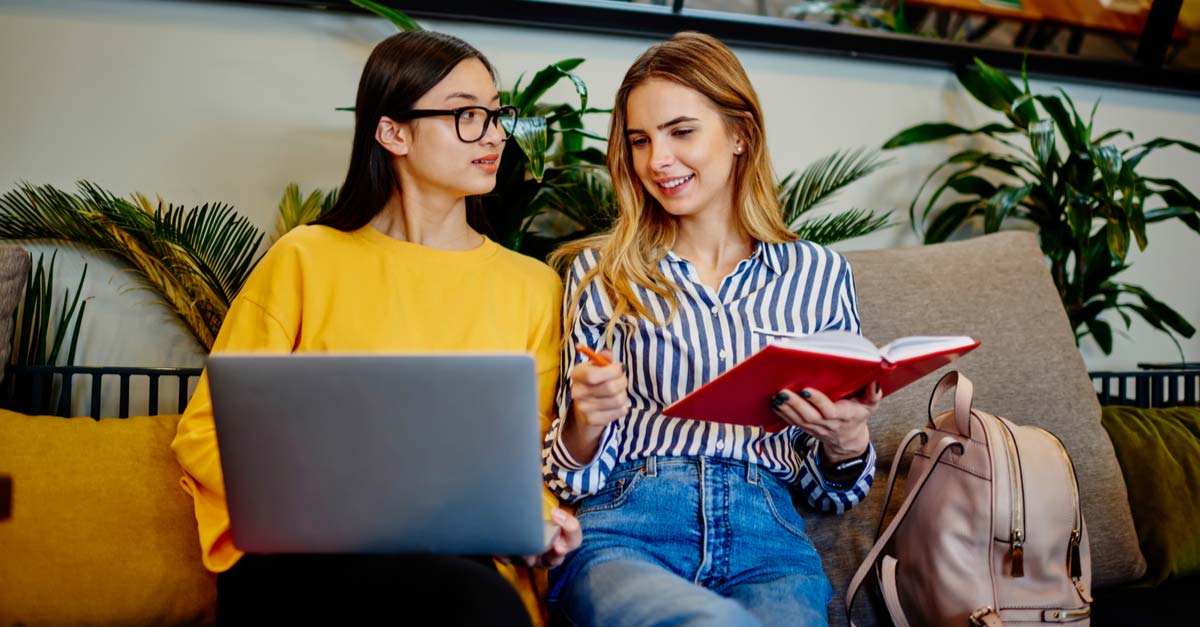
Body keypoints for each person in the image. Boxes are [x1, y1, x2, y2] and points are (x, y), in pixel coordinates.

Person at [171, 30, 581, 626]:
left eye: (496, 115)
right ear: (393, 133)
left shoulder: (531, 286)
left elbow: (532, 457)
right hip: (303, 553)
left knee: (476, 601)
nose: (494, 135)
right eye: (467, 115)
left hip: (457, 561)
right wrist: (322, 504)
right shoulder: (305, 258)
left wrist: (539, 522)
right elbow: (205, 432)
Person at [542, 32, 881, 627]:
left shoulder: (820, 274)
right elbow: (571, 478)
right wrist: (584, 421)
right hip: (629, 526)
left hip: (769, 543)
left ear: (739, 133)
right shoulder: (603, 272)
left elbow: (829, 491)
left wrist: (846, 443)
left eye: (681, 131)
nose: (657, 161)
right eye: (640, 140)